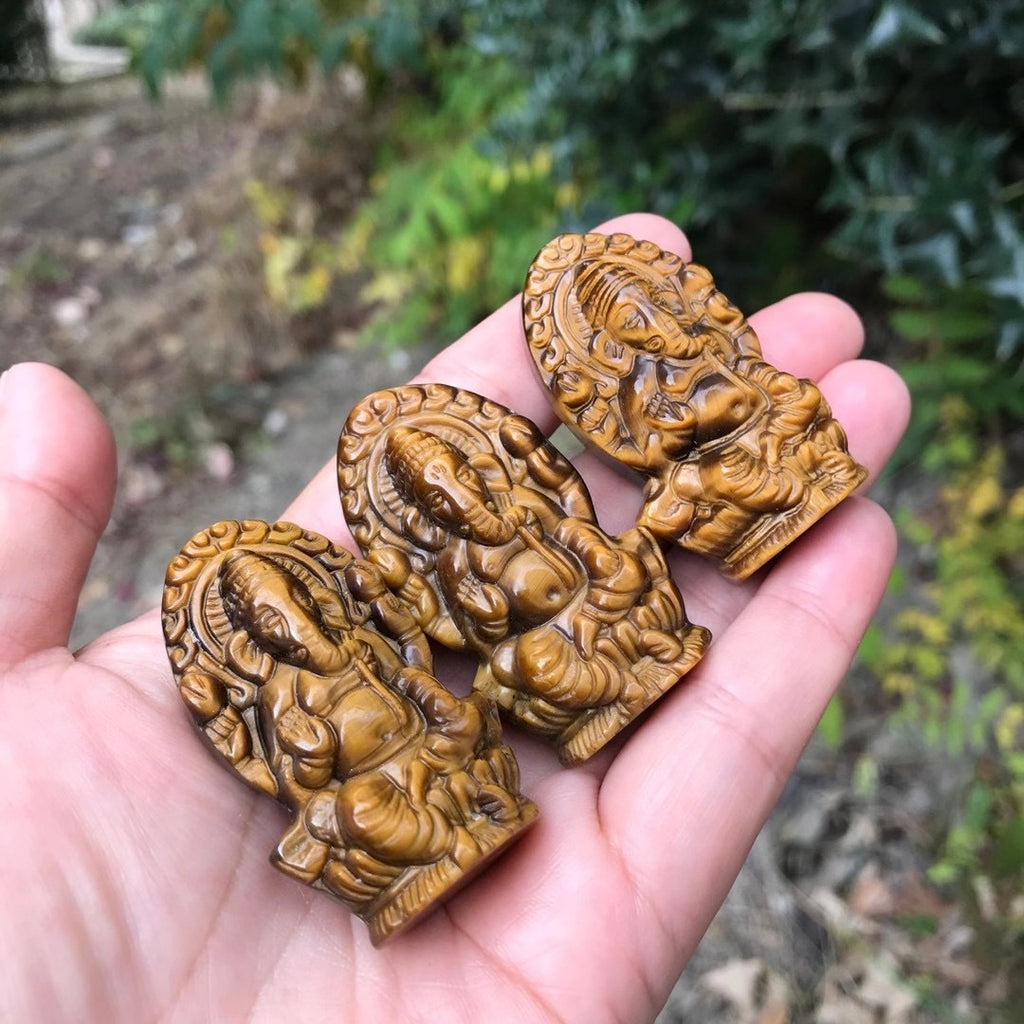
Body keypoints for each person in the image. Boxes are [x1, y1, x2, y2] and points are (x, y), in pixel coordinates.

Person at [0, 213, 909, 1020]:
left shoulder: (554, 495)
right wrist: (451, 710)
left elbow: (593, 571)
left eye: (470, 480)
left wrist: (619, 565)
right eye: (445, 500)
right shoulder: (330, 675)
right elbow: (377, 726)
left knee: (624, 581)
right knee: (485, 709)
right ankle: (449, 823)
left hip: (618, 619)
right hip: (414, 766)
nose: (468, 500)